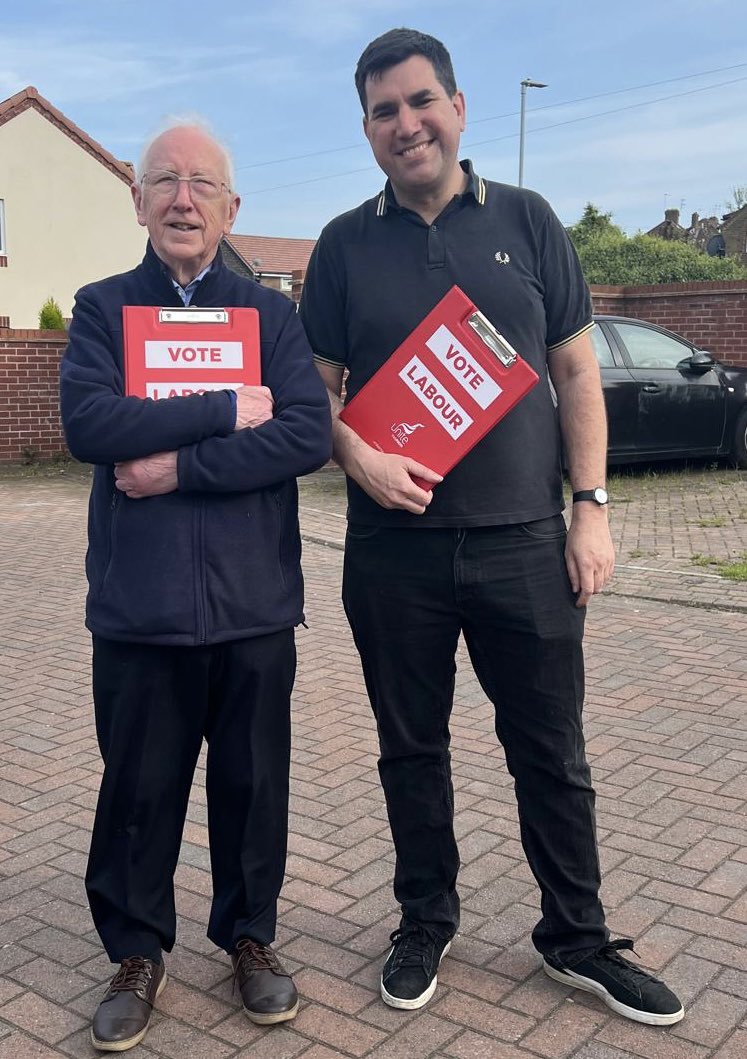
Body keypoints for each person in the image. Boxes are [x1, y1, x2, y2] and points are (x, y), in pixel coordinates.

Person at [299, 28, 683, 1027]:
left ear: (459, 109)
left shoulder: (529, 219)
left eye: (419, 101)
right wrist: (357, 455)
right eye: (383, 111)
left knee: (550, 750)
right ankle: (425, 917)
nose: (405, 124)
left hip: (524, 543)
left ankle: (577, 937)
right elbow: (316, 396)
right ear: (369, 130)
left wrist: (589, 511)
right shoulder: (343, 245)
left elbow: (576, 373)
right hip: (394, 556)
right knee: (409, 748)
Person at [60, 120, 331, 1052]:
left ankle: (249, 937)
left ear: (230, 208)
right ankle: (135, 951)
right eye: (164, 182)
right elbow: (92, 422)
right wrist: (220, 409)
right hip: (139, 607)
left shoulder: (272, 319)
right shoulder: (101, 310)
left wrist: (175, 465)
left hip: (254, 603)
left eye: (201, 184)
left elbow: (301, 434)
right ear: (137, 201)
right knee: (138, 787)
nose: (183, 199)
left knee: (254, 784)